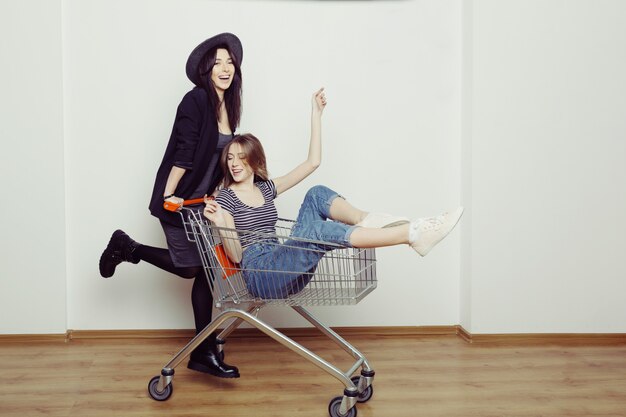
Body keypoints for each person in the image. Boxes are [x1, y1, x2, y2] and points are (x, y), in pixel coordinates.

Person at [203, 88, 464, 299]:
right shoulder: (225, 197)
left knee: (316, 193)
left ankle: (368, 219)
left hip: (286, 264)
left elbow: (312, 163)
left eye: (241, 157)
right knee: (316, 230)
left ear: (255, 161)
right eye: (230, 158)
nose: (234, 163)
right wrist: (219, 221)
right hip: (262, 274)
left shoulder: (266, 188)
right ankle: (412, 234)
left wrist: (316, 115)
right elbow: (236, 256)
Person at [98, 33, 243, 378]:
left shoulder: (230, 107)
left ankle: (203, 351)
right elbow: (184, 150)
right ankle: (127, 246)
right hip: (179, 199)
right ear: (206, 69)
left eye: (230, 62)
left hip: (201, 202)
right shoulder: (195, 101)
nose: (225, 68)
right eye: (217, 63)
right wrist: (168, 196)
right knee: (192, 269)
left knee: (207, 272)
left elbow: (219, 160)